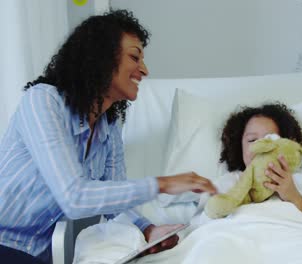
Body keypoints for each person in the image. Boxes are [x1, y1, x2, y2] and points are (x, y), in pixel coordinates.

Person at [0, 10, 216, 264]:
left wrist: (148, 229)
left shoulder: (108, 125)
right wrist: (163, 183)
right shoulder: (43, 101)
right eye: (134, 57)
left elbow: (114, 201)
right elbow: (74, 197)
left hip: (35, 252)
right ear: (100, 58)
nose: (144, 70)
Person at [190, 103, 302, 230]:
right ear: (238, 147)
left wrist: (294, 197)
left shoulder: (300, 183)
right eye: (252, 140)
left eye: (270, 139)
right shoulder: (225, 183)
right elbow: (201, 225)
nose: (260, 146)